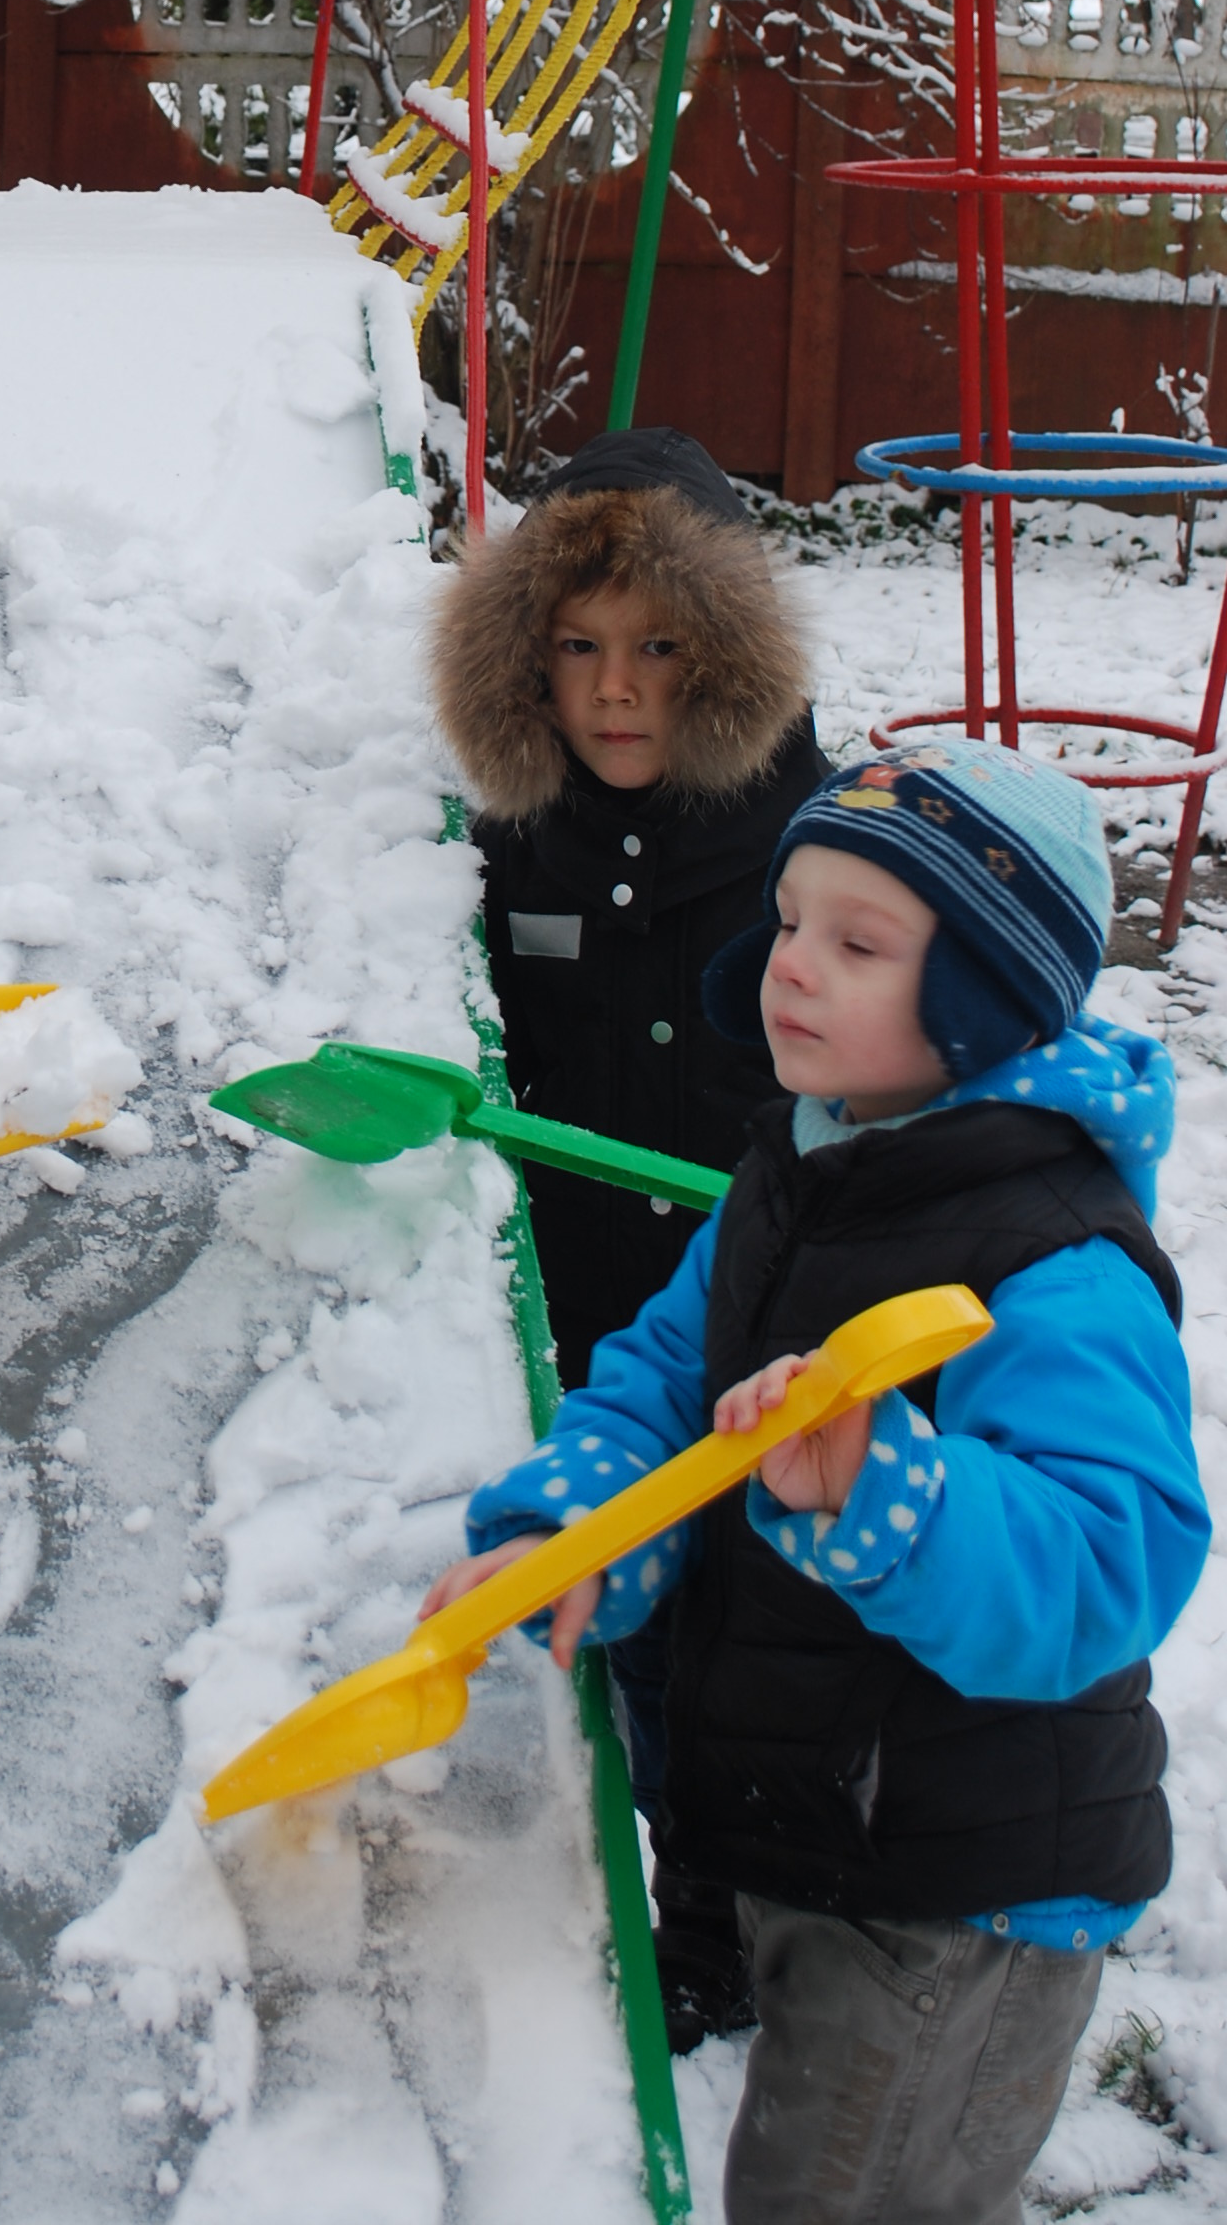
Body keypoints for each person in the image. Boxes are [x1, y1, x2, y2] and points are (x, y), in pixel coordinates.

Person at [417, 740, 1209, 2225]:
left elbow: (1112, 1561)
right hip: (822, 1821)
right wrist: (576, 1529)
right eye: (790, 922)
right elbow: (664, 1374)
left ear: (980, 1000)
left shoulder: (1055, 1261)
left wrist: (888, 1496)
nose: (791, 967)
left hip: (954, 1895)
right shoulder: (809, 1158)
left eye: (859, 944)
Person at [430, 425, 824, 2042]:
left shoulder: (809, 849)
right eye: (578, 651)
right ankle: (692, 1918)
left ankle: (765, 1907)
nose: (614, 690)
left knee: (765, 1634)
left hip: (765, 1315)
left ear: (723, 662)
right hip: (601, 1324)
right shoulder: (512, 838)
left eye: (660, 651)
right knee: (648, 1626)